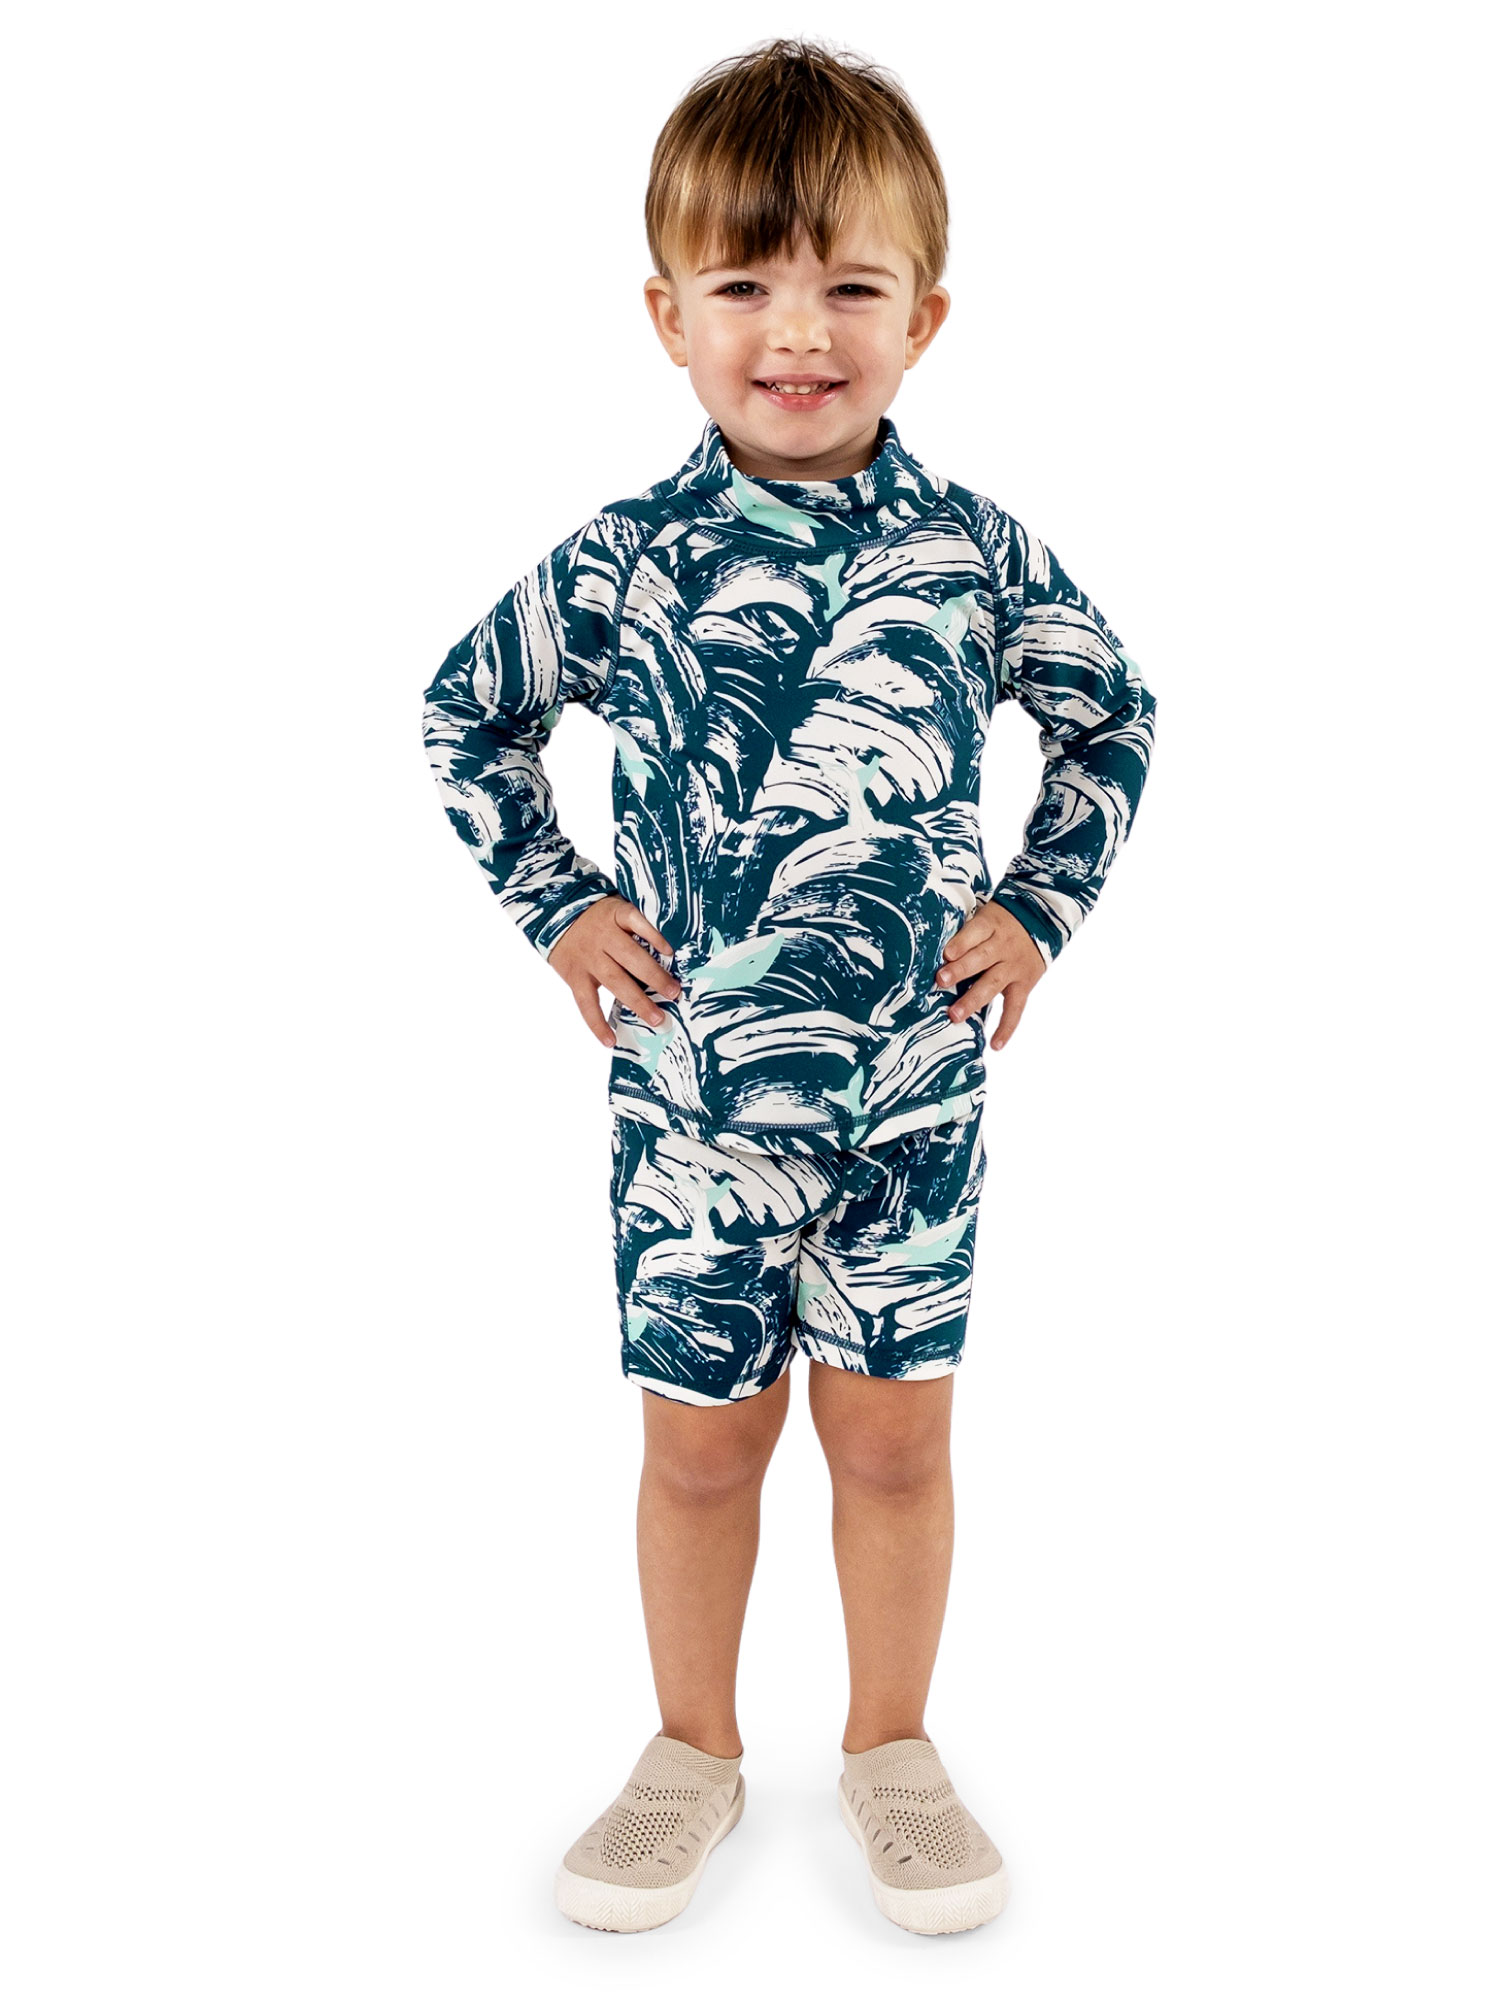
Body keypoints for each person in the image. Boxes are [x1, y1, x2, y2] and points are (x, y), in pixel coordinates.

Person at [422, 36, 1157, 1936]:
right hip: (689, 1112)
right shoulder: (624, 560)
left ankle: (892, 1748)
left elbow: (1113, 718)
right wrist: (560, 906)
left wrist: (1041, 907)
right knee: (697, 1452)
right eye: (745, 284)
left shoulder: (972, 552)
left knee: (895, 1443)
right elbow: (464, 714)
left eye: (851, 285)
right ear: (669, 317)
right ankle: (690, 1749)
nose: (800, 330)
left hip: (915, 1101)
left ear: (927, 317)